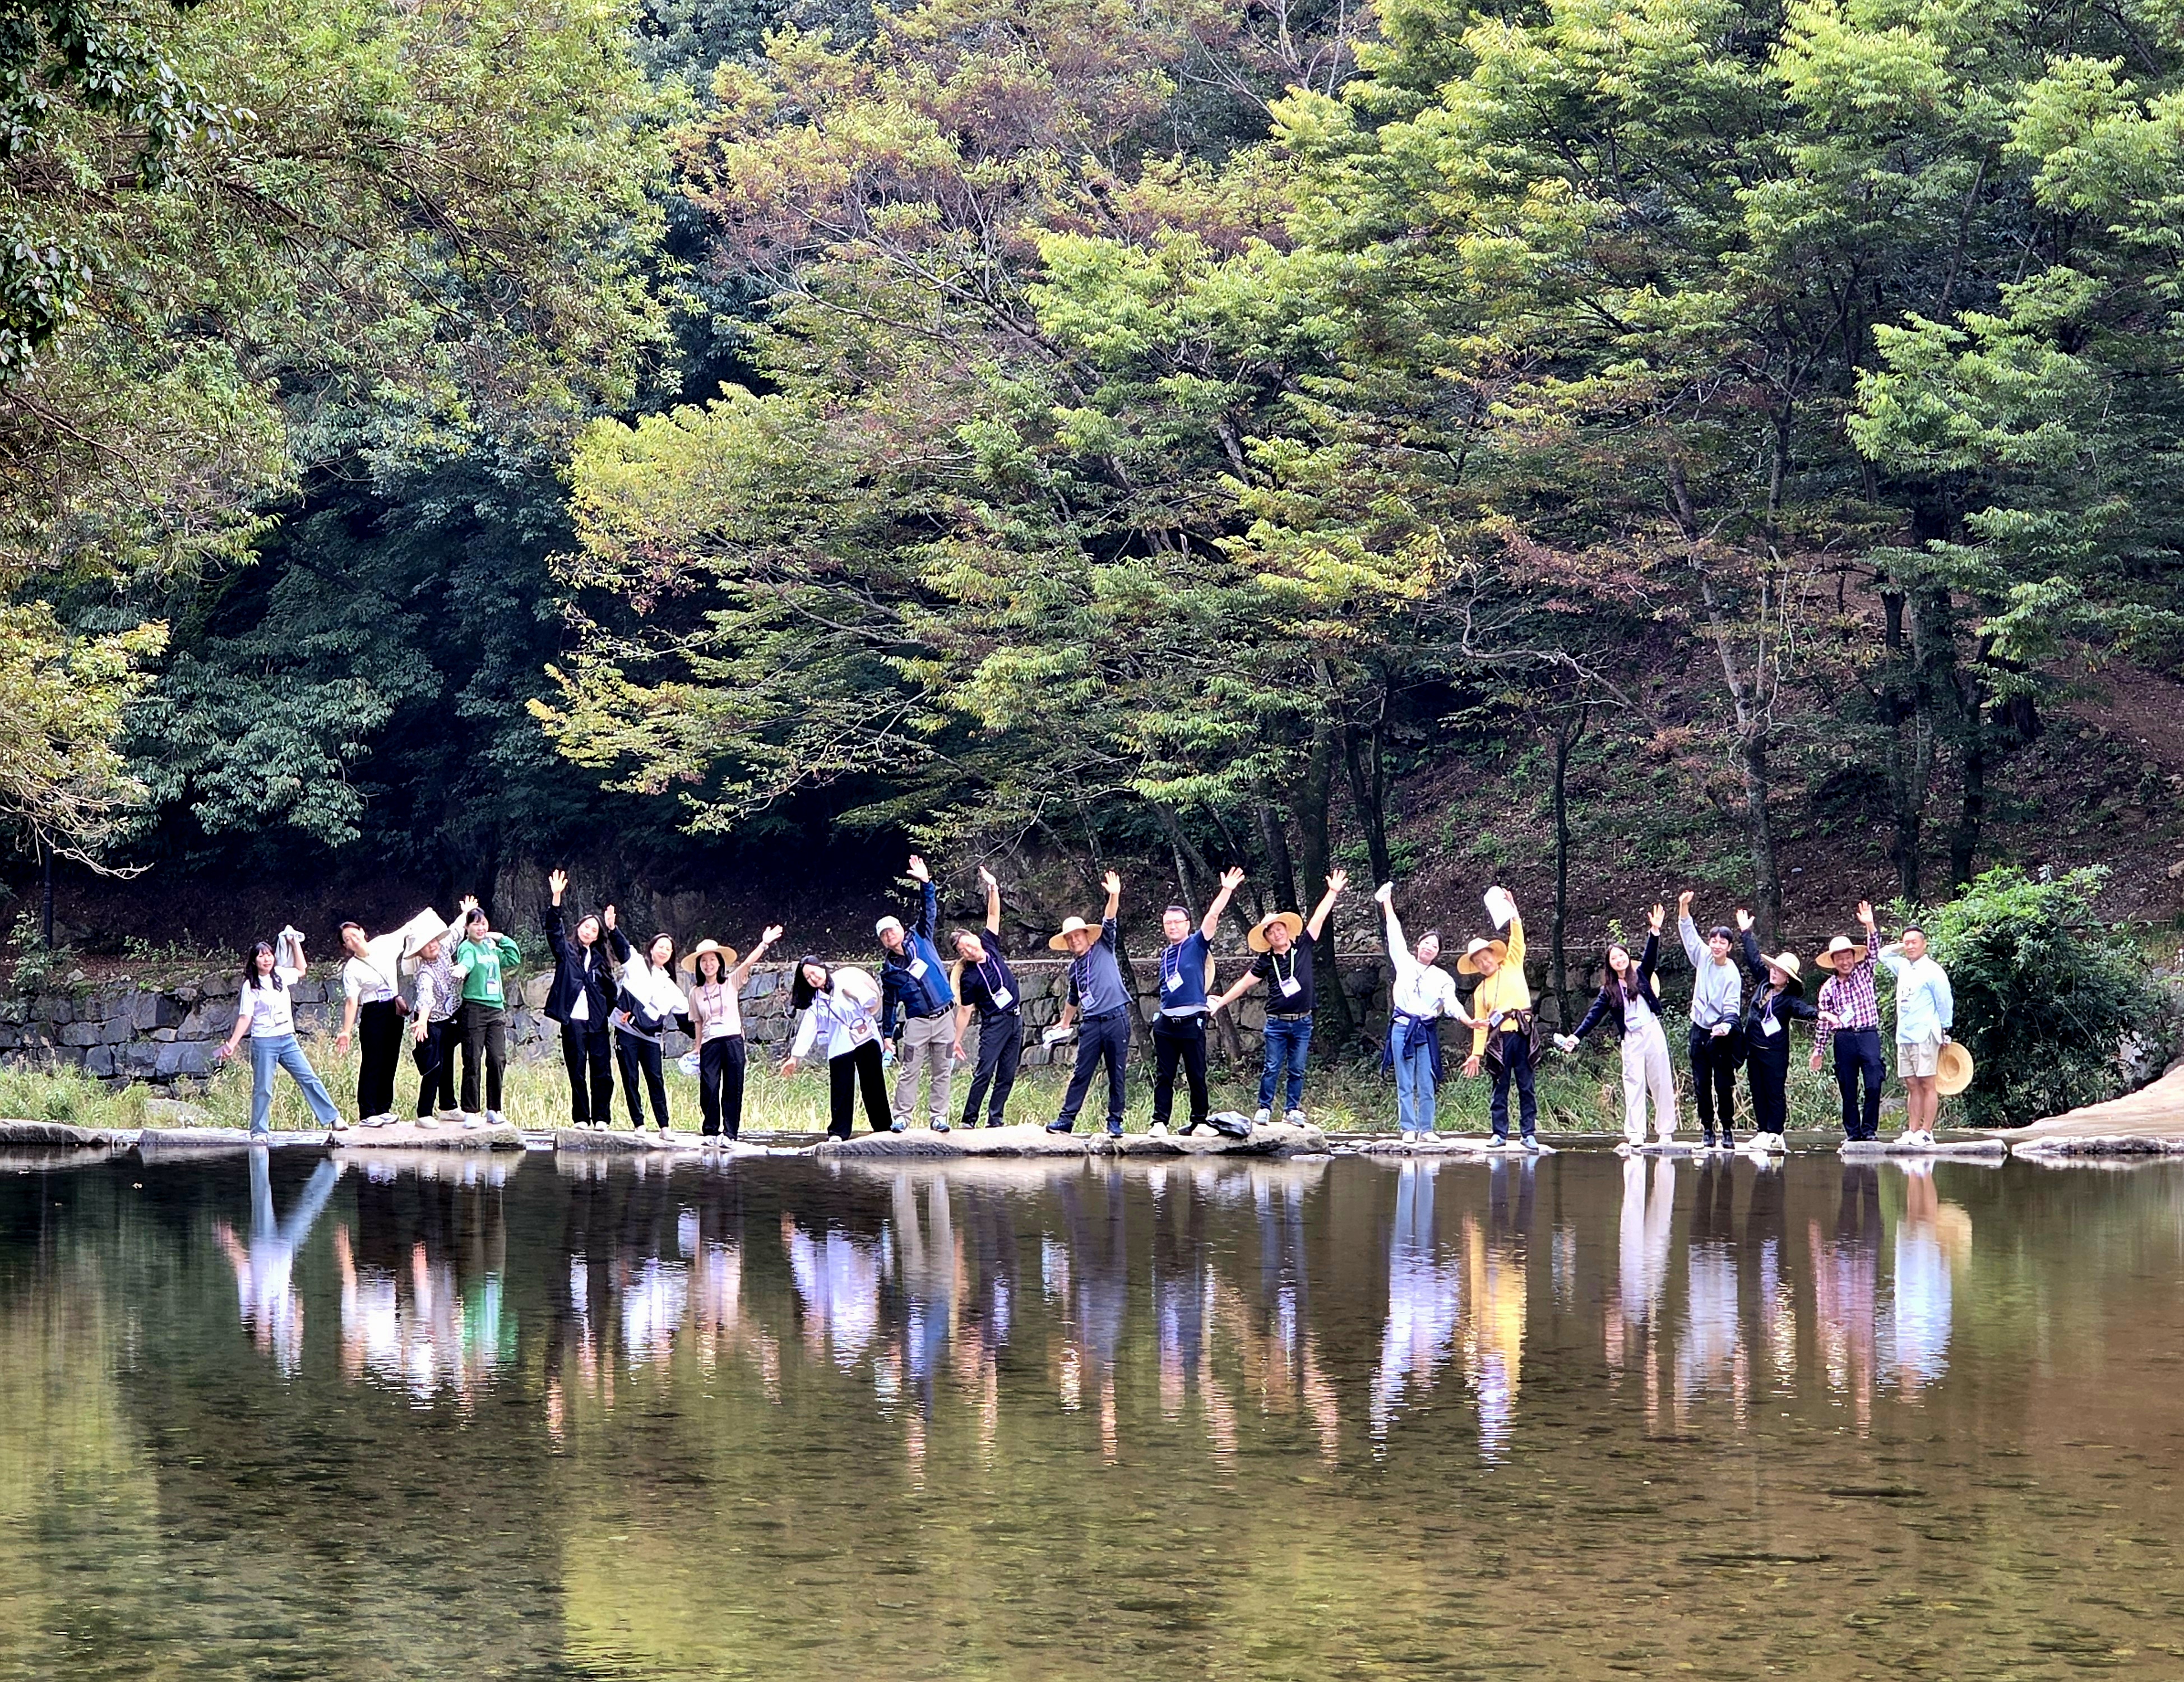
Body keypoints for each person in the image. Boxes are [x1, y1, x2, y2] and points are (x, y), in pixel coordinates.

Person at [1210, 870, 1348, 1126]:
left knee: (1297, 1068)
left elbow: (1319, 918)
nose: (1276, 934)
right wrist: (1220, 1002)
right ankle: (1264, 1107)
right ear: (1266, 939)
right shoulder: (1266, 961)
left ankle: (1292, 1109)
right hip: (1276, 1022)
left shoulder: (1303, 946)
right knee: (1272, 1066)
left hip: (1303, 1021)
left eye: (1279, 929)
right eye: (1271, 932)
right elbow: (1244, 984)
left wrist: (1333, 892)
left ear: (1287, 929)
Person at [1553, 904, 1674, 1151]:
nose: (1619, 960)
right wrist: (1576, 1037)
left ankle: (1665, 1132)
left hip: (1652, 1029)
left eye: (1622, 956)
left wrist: (1655, 932)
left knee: (1661, 1080)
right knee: (1634, 1083)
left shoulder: (1640, 975)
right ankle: (1636, 1133)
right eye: (1614, 958)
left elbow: (1651, 956)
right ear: (1609, 964)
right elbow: (1593, 1016)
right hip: (1631, 1038)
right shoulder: (1608, 991)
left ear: (1628, 957)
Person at [216, 928, 344, 1140]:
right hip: (264, 1041)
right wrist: (232, 1044)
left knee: (308, 1078)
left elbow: (302, 969)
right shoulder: (251, 986)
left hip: (287, 1039)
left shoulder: (281, 975)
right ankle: (259, 1131)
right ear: (254, 961)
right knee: (263, 1088)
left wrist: (294, 943)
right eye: (261, 955)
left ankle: (333, 1118)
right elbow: (245, 1017)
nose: (266, 959)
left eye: (269, 954)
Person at [1151, 866, 1246, 1135]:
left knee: (1196, 1073)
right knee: (1165, 1075)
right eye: (1168, 923)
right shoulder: (1165, 954)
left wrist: (1226, 889)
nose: (1172, 926)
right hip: (1167, 1022)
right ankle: (1160, 1121)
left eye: (1177, 922)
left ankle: (1200, 1121)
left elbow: (1213, 916)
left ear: (1186, 924)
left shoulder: (1196, 944)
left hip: (1193, 1021)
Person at [1376, 880, 1469, 1141]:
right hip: (1403, 1027)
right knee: (1404, 1081)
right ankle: (1408, 1128)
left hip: (1426, 1030)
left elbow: (1450, 1003)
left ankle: (1427, 1128)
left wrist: (1467, 1020)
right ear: (1419, 945)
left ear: (1438, 953)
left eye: (1435, 946)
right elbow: (1394, 933)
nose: (1429, 947)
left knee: (1427, 1080)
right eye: (1426, 943)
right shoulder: (1404, 962)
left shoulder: (1443, 977)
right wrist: (1387, 902)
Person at [1046, 871, 1131, 1138]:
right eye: (1069, 938)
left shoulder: (1104, 945)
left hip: (1116, 1017)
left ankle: (1115, 1122)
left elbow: (1110, 918)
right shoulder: (1074, 969)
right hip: (1092, 1023)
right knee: (1081, 1071)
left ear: (1086, 935)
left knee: (1117, 1073)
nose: (1074, 941)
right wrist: (1065, 1022)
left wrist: (1114, 895)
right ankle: (1066, 1120)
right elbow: (1073, 999)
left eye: (1077, 936)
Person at [878, 854, 957, 1134]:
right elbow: (889, 1004)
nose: (891, 936)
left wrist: (926, 883)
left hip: (945, 1016)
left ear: (901, 928)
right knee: (910, 1069)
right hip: (917, 1023)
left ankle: (939, 1117)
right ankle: (902, 1118)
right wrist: (887, 1035)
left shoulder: (920, 936)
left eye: (893, 930)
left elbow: (929, 910)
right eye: (885, 935)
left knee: (943, 1069)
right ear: (883, 941)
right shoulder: (889, 970)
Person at [684, 925, 782, 1139]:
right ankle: (710, 1129)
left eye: (712, 960)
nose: (708, 964)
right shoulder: (695, 992)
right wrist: (697, 1047)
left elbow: (748, 963)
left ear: (719, 962)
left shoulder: (731, 982)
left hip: (733, 1040)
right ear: (699, 966)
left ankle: (730, 1133)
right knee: (709, 1087)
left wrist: (764, 943)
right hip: (710, 1043)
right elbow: (698, 1022)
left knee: (733, 1086)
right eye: (704, 961)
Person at [1459, 885, 1538, 1149]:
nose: (1484, 963)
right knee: (1500, 1086)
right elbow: (1480, 1027)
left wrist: (1513, 911)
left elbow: (1518, 939)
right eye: (1478, 961)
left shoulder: (1513, 964)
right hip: (1499, 1040)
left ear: (1494, 955)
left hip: (1523, 1032)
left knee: (1526, 1085)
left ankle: (1529, 1133)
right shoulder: (1480, 991)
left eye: (1486, 957)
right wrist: (1476, 1054)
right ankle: (1499, 1133)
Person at [950, 866, 1024, 1129]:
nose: (970, 949)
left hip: (1016, 1018)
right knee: (985, 1070)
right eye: (963, 950)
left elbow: (994, 914)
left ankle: (996, 1119)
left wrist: (993, 887)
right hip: (994, 1023)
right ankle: (969, 1120)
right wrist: (957, 1040)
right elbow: (965, 1011)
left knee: (1007, 1073)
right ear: (961, 954)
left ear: (974, 938)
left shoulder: (988, 943)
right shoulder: (968, 977)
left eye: (969, 943)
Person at [542, 870, 617, 1129]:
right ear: (579, 928)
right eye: (586, 927)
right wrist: (556, 898)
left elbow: (611, 992)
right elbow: (553, 929)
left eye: (594, 930)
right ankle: (582, 1118)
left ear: (598, 936)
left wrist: (612, 1013)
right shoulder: (567, 951)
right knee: (577, 1070)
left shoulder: (600, 961)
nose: (589, 931)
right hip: (573, 1020)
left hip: (596, 1023)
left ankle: (602, 1118)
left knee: (602, 1072)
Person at [783, 958, 890, 1139]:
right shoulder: (816, 1003)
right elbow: (808, 1028)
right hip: (841, 1044)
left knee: (874, 1083)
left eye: (814, 972)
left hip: (865, 1036)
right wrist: (795, 1057)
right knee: (841, 1087)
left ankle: (883, 1127)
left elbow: (872, 999)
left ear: (822, 967)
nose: (814, 978)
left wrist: (855, 995)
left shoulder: (846, 981)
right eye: (808, 977)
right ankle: (839, 1132)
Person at [1737, 911, 1816, 1153]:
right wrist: (1746, 933)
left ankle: (1776, 1132)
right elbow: (1752, 958)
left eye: (1779, 971)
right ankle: (1762, 1131)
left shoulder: (1788, 999)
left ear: (1787, 978)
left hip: (1775, 1053)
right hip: (1754, 1049)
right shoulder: (1763, 982)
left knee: (1774, 1092)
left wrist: (1819, 1014)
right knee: (1757, 1090)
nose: (1773, 972)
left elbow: (1802, 1009)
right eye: (1774, 968)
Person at [1677, 891, 1747, 1150]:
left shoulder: (1732, 973)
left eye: (1722, 942)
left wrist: (1725, 1027)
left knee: (1723, 1083)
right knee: (1701, 1082)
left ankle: (1727, 1129)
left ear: (1729, 947)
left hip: (1722, 1034)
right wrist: (1684, 907)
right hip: (1699, 1030)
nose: (1717, 945)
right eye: (1714, 941)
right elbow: (1688, 933)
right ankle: (1707, 1129)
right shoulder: (1703, 957)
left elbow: (1732, 1008)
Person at [1811, 901, 1885, 1142]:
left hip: (1868, 1034)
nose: (1845, 962)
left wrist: (1870, 925)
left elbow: (1875, 949)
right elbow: (1823, 1021)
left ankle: (1870, 1130)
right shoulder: (1828, 989)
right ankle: (1853, 1133)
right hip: (1843, 1039)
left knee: (1874, 1083)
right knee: (1848, 1087)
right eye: (1840, 959)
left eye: (1848, 957)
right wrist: (1818, 1051)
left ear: (1854, 957)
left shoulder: (1864, 973)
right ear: (1834, 962)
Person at [608, 916, 687, 1135]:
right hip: (627, 1031)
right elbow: (622, 947)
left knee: (656, 1080)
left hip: (652, 1038)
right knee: (630, 1077)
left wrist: (704, 1035)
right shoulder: (636, 964)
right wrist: (613, 928)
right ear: (651, 948)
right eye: (660, 946)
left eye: (668, 949)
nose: (664, 951)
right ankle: (639, 1124)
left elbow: (686, 1021)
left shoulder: (671, 987)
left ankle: (664, 1127)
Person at [1878, 924, 1954, 1148]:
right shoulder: (1902, 966)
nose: (1910, 946)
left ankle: (1927, 1131)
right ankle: (1912, 1130)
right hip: (1905, 1035)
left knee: (1927, 1082)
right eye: (1906, 942)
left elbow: (1945, 1001)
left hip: (1925, 1033)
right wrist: (1902, 947)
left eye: (1914, 942)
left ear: (1924, 943)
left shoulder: (1933, 970)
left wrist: (1945, 1028)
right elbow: (1882, 955)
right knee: (1911, 1083)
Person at [451, 898, 520, 1129]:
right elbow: (467, 962)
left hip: (496, 1009)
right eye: (475, 924)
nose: (481, 928)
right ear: (467, 928)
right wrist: (462, 970)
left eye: (484, 924)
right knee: (472, 1059)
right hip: (475, 1009)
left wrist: (500, 938)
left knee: (497, 1059)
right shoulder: (467, 947)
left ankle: (494, 1108)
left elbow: (513, 958)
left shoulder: (490, 947)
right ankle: (471, 1110)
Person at [334, 919, 408, 1126]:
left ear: (363, 931)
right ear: (346, 946)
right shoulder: (352, 969)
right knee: (373, 1061)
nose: (353, 940)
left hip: (393, 1008)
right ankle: (367, 1112)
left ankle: (384, 1108)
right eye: (347, 940)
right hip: (373, 1011)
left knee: (390, 1059)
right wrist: (346, 1031)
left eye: (354, 934)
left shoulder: (384, 944)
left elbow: (409, 928)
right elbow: (352, 1001)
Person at [404, 917, 462, 1124]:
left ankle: (448, 1106)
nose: (432, 945)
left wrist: (466, 913)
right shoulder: (424, 973)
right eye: (426, 945)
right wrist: (422, 1021)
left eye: (433, 941)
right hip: (429, 1022)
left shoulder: (444, 949)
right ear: (419, 952)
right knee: (433, 1066)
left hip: (449, 1018)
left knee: (447, 1063)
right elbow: (425, 998)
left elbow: (455, 932)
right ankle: (424, 1113)